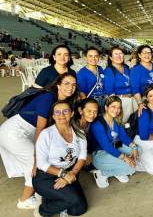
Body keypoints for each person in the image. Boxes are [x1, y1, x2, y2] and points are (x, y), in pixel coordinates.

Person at [0, 73, 77, 209]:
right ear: (58, 85)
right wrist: (37, 156)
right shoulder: (48, 97)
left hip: (25, 132)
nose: (70, 87)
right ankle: (24, 200)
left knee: (40, 162)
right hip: (14, 132)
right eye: (66, 83)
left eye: (73, 85)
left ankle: (36, 191)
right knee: (34, 164)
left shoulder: (61, 103)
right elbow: (40, 129)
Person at [33, 101, 88, 217]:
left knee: (79, 210)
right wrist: (63, 175)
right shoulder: (46, 134)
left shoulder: (80, 132)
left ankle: (53, 197)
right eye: (57, 112)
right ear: (53, 116)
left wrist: (72, 174)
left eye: (65, 111)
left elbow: (82, 156)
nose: (61, 115)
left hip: (70, 172)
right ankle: (43, 210)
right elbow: (41, 163)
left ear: (72, 113)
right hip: (46, 175)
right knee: (73, 199)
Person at [89, 96, 141, 188]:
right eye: (113, 106)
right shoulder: (97, 124)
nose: (116, 110)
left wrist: (133, 147)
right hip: (100, 152)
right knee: (130, 168)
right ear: (106, 107)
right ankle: (101, 173)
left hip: (116, 144)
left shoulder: (116, 120)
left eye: (118, 107)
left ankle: (118, 168)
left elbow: (123, 137)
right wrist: (125, 157)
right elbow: (106, 146)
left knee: (139, 150)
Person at [130, 45, 153, 114]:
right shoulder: (135, 70)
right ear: (139, 55)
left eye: (149, 53)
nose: (147, 55)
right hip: (144, 100)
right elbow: (135, 89)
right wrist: (140, 103)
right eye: (144, 52)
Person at [103, 46, 135, 123]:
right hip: (120, 101)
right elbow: (110, 93)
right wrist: (123, 96)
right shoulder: (108, 71)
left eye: (120, 53)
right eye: (116, 54)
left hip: (132, 99)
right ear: (111, 58)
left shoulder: (126, 67)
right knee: (122, 124)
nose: (119, 56)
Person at [73, 98, 99, 170]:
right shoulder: (72, 125)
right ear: (80, 110)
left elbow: (93, 141)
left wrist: (89, 153)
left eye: (95, 111)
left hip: (86, 151)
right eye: (89, 111)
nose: (92, 114)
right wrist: (83, 155)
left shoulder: (92, 123)